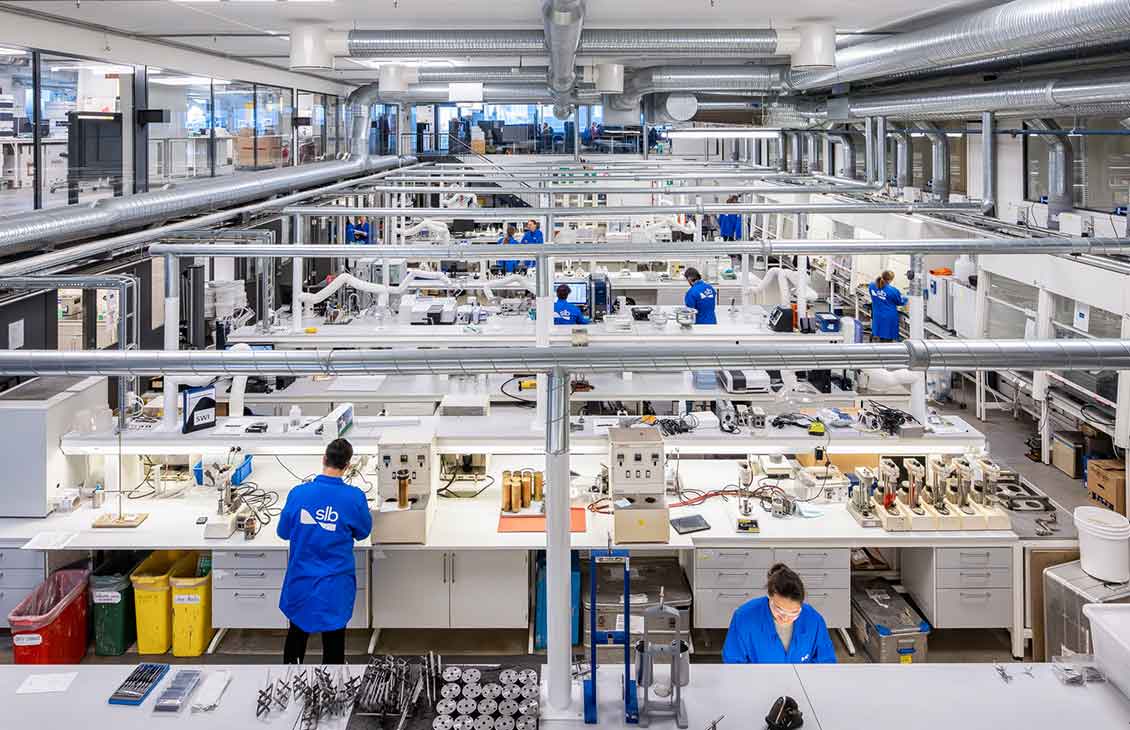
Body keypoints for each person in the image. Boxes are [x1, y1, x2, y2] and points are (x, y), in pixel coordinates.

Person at [277, 438, 372, 664]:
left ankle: (289, 689)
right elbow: (363, 532)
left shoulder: (298, 493)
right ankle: (333, 697)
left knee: (295, 641)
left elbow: (283, 532)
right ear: (347, 466)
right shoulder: (354, 497)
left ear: (324, 459)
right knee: (334, 650)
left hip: (302, 584)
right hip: (334, 588)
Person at [722, 563, 836, 664]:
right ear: (769, 596)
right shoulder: (744, 618)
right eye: (779, 610)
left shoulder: (814, 620)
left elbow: (826, 662)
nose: (785, 618)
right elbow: (734, 663)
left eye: (794, 613)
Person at [869, 269, 907, 342]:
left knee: (879, 334)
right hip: (888, 318)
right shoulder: (892, 290)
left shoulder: (872, 286)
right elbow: (900, 302)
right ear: (890, 280)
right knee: (887, 339)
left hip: (877, 315)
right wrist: (906, 298)